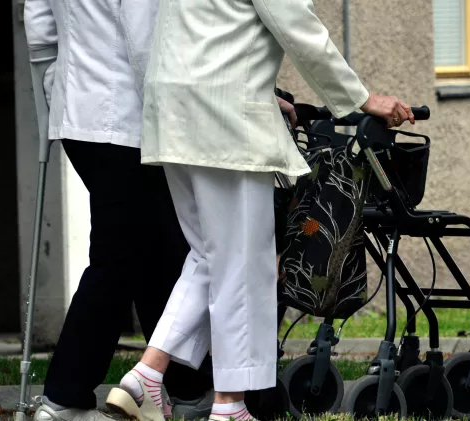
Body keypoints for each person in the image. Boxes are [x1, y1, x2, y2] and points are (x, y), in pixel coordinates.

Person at [100, 0, 415, 420]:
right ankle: (230, 406)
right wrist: (361, 98)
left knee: (210, 257)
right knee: (242, 265)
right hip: (225, 119)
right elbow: (297, 25)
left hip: (174, 111)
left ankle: (145, 378)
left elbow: (206, 30)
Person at [22, 0, 216, 420]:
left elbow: (38, 26)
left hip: (80, 113)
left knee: (150, 248)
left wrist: (57, 80)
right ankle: (64, 399)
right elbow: (146, 39)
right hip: (129, 119)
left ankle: (184, 386)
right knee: (120, 257)